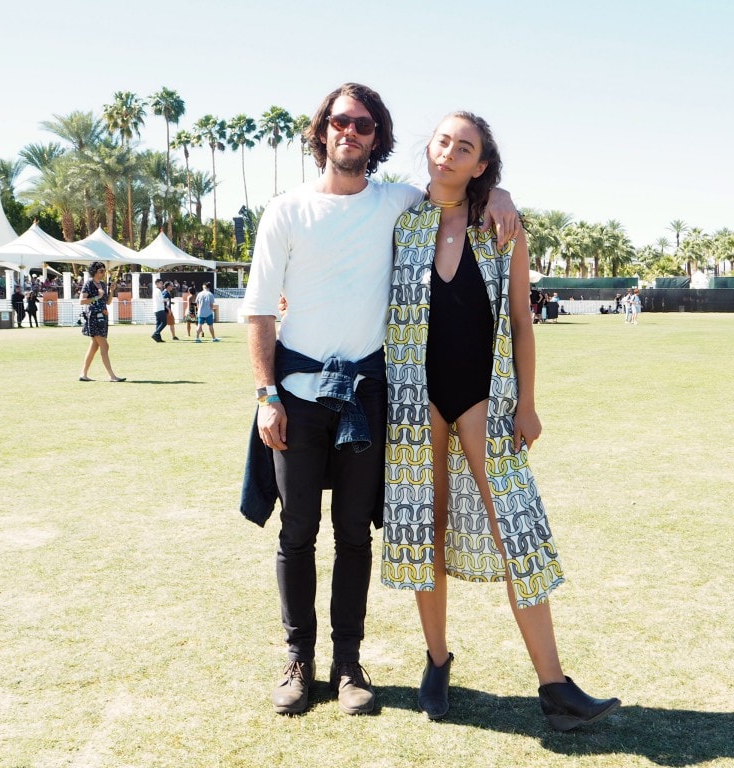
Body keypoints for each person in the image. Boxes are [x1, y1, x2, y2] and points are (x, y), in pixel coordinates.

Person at [240, 83, 518, 719]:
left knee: (355, 539)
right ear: (323, 131)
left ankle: (348, 665)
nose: (351, 132)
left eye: (364, 125)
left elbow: (456, 190)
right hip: (297, 397)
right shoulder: (286, 210)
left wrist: (496, 191)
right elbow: (258, 311)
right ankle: (297, 660)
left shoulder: (396, 202)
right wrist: (265, 395)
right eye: (340, 121)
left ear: (377, 138)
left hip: (369, 398)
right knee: (298, 533)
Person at [383, 111, 619, 730]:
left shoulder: (502, 225)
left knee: (515, 527)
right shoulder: (400, 219)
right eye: (443, 142)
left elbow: (520, 320)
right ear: (428, 148)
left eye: (465, 148)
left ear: (481, 164)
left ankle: (555, 685)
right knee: (424, 527)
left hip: (486, 395)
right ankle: (436, 663)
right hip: (415, 398)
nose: (450, 154)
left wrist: (529, 402)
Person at [78, 261, 125, 382]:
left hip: (103, 317)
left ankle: (83, 374)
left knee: (94, 346)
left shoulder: (103, 285)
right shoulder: (89, 283)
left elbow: (108, 302)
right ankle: (111, 376)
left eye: (104, 270)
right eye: (101, 271)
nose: (103, 273)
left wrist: (111, 291)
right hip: (93, 317)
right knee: (105, 345)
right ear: (94, 272)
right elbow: (82, 301)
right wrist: (97, 297)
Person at [151, 278, 167, 342]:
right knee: (164, 322)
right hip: (160, 309)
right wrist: (166, 300)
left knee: (158, 323)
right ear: (157, 284)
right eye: (161, 283)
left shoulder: (155, 290)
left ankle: (158, 338)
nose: (162, 285)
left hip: (156, 309)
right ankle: (155, 334)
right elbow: (161, 300)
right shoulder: (158, 291)